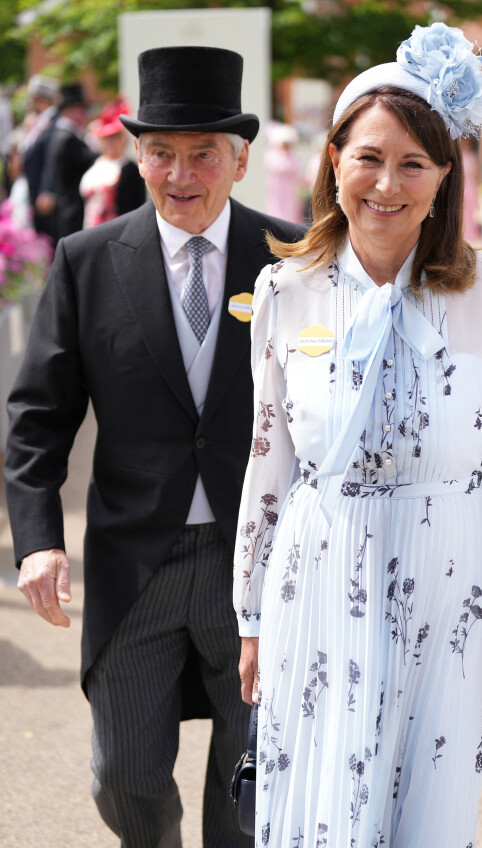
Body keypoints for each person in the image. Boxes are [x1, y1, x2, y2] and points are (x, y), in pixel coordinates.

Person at [234, 22, 482, 848]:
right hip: (317, 584)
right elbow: (268, 463)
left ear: (445, 175)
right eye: (368, 157)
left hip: (452, 593)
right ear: (333, 159)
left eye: (414, 162)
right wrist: (250, 614)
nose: (387, 183)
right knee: (323, 818)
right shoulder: (284, 289)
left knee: (428, 819)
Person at [3, 46, 304, 848]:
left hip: (260, 565)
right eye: (161, 151)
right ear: (137, 156)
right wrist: (37, 541)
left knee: (255, 781)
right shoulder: (87, 262)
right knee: (123, 778)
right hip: (136, 564)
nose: (182, 172)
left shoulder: (297, 259)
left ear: (239, 159)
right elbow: (36, 417)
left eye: (203, 152)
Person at [80, 97, 145, 228]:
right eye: (107, 138)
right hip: (90, 230)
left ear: (123, 138)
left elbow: (136, 207)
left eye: (115, 137)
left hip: (117, 231)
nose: (110, 142)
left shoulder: (130, 169)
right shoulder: (95, 163)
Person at [48, 82, 98, 240]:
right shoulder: (67, 138)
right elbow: (91, 160)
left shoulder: (65, 134)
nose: (86, 115)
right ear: (70, 111)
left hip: (68, 206)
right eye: (82, 110)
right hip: (72, 208)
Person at [20, 74, 60, 241]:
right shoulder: (38, 123)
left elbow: (53, 158)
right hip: (34, 191)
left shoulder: (54, 123)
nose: (29, 103)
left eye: (33, 98)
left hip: (45, 196)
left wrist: (48, 190)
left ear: (42, 100)